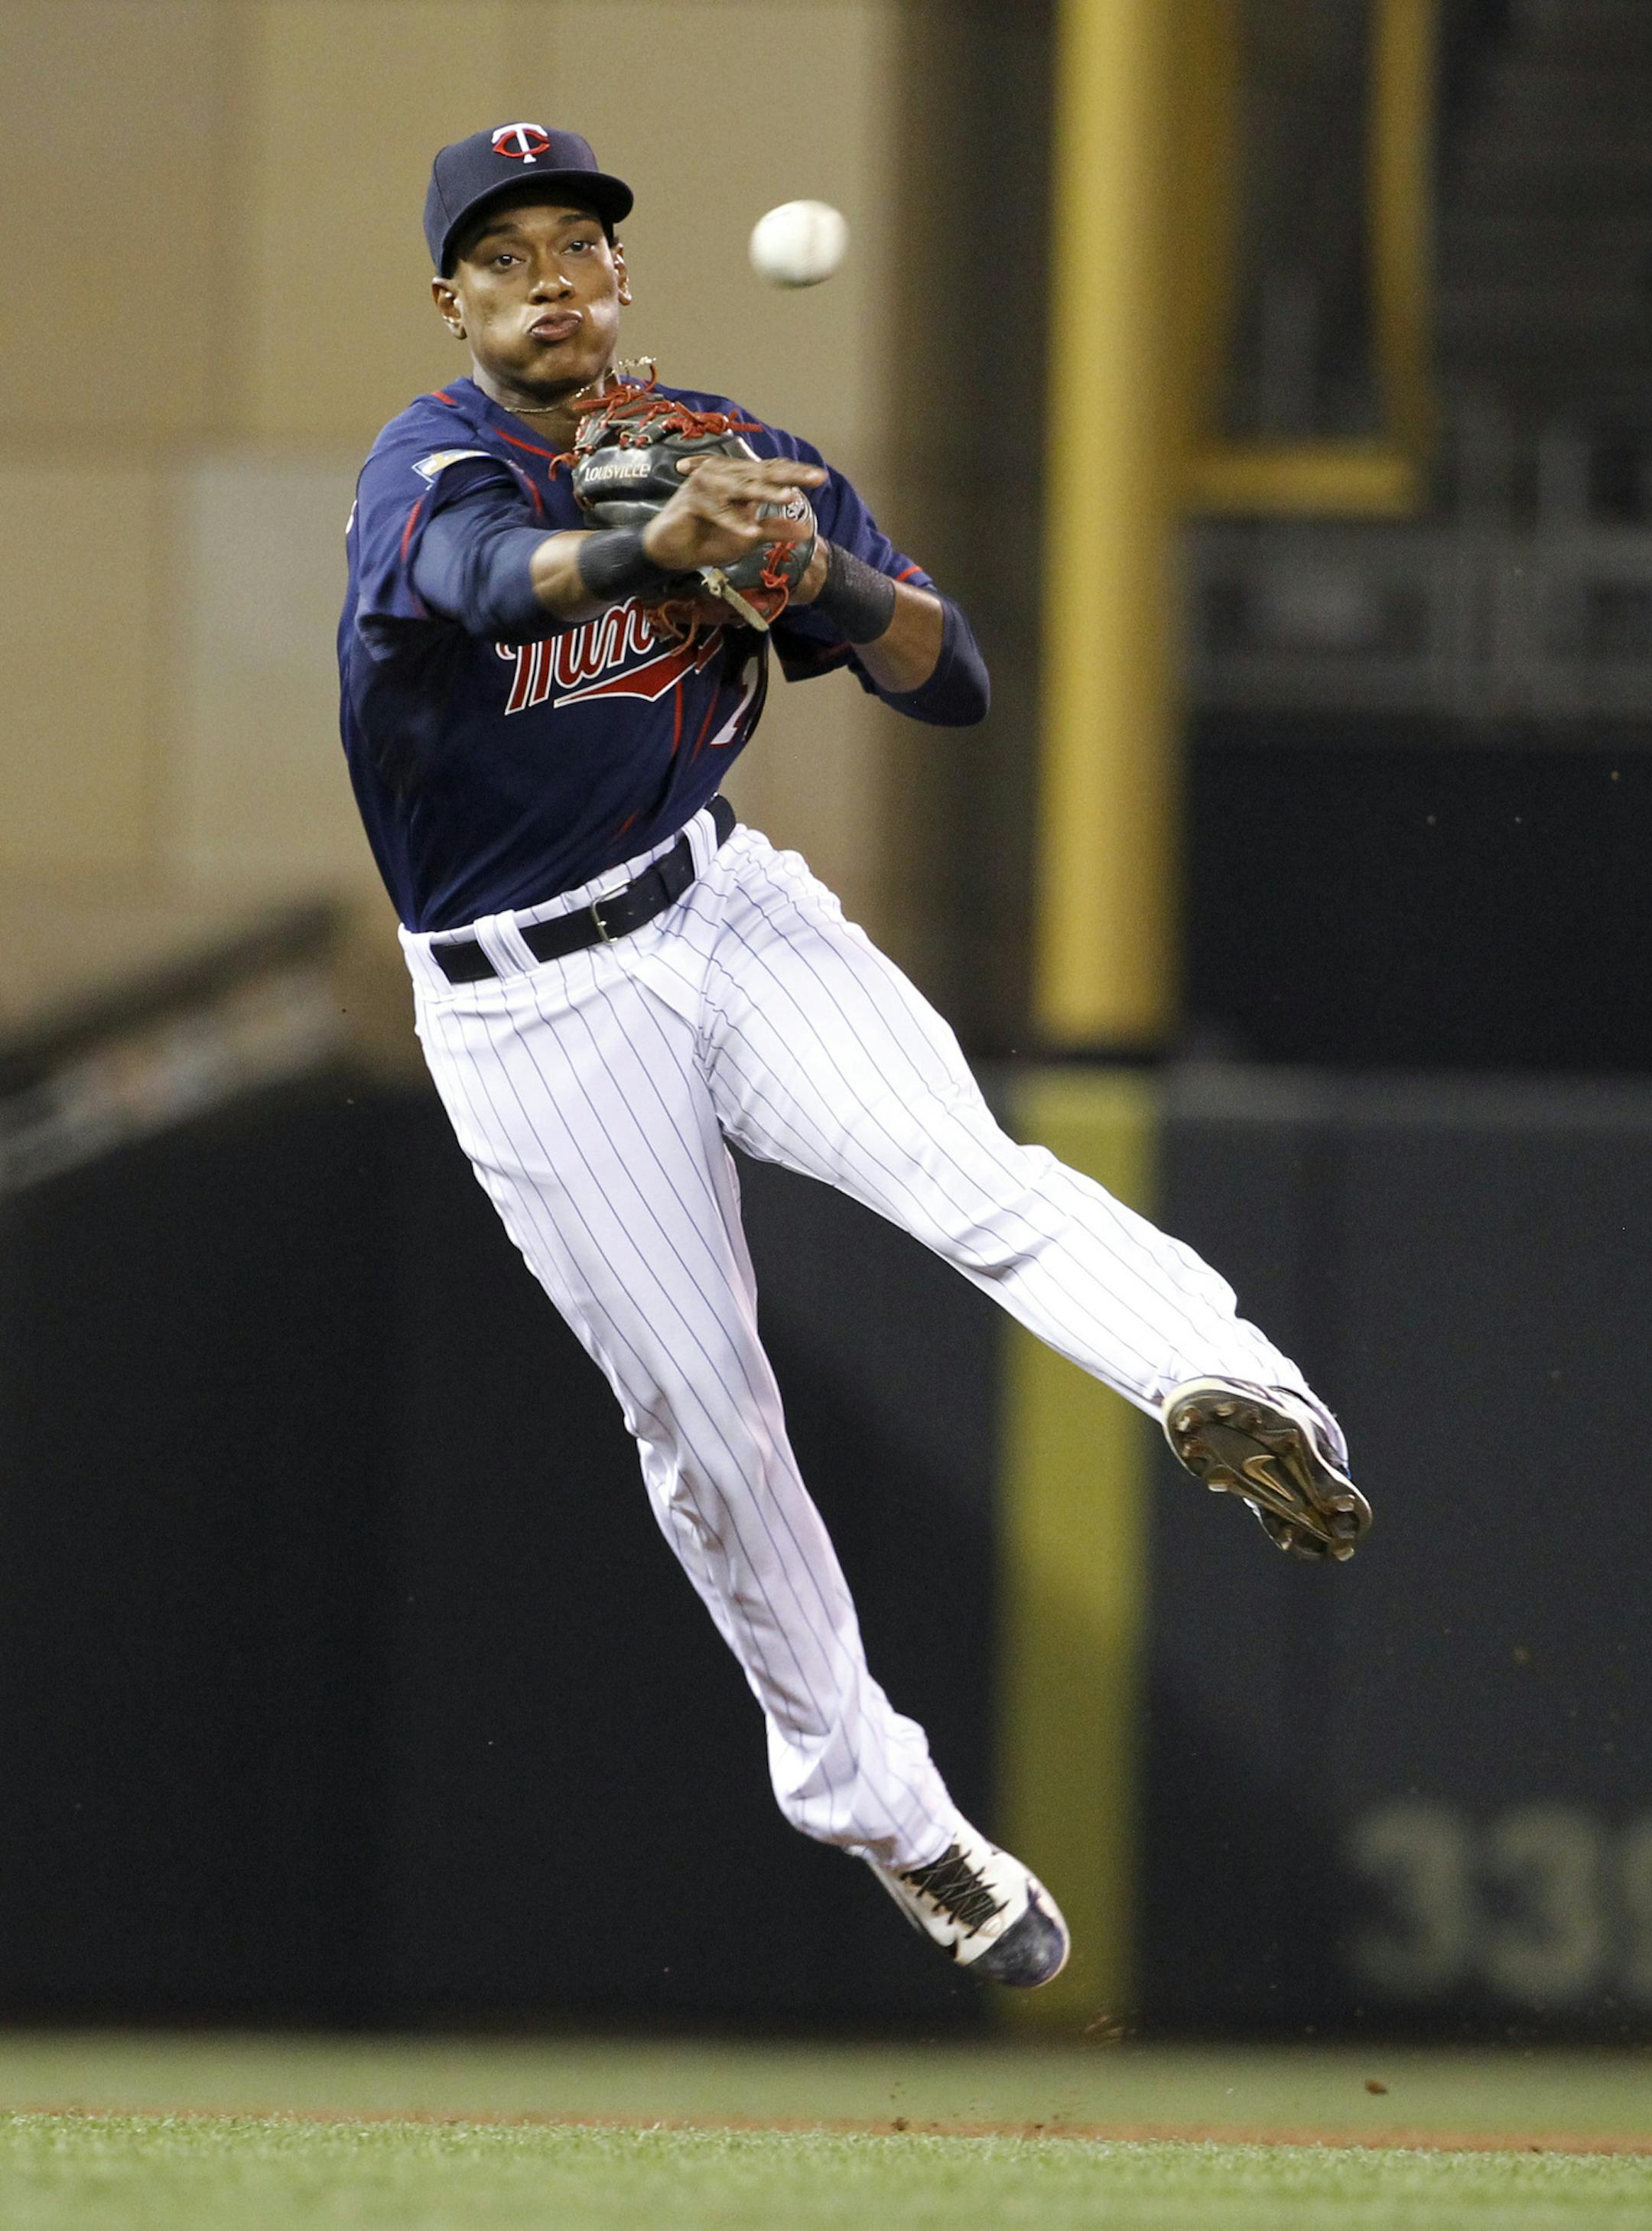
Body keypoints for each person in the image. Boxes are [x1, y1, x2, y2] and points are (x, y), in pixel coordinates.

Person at [337, 123, 1371, 1992]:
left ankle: (1237, 1387)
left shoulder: (735, 449)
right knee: (710, 1421)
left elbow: (947, 670)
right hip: (526, 1008)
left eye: (579, 241)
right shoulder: (428, 468)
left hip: (724, 908)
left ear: (621, 278)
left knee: (974, 1177)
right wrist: (659, 544)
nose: (554, 275)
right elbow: (493, 588)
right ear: (455, 302)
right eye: (509, 256)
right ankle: (891, 1815)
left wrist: (810, 568)